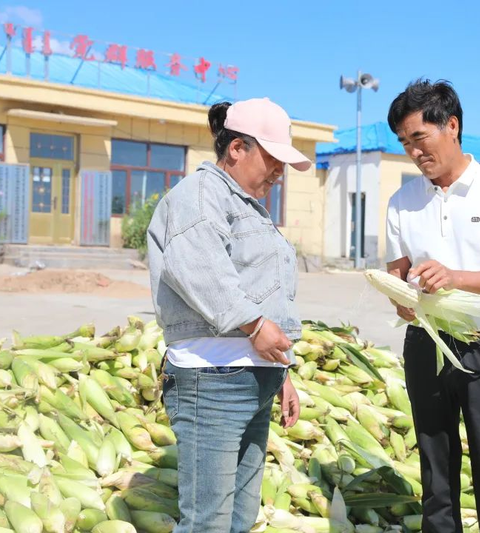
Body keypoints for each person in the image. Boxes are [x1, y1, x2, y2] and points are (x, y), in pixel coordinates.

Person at [147, 97, 306, 533]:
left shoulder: (248, 205)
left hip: (253, 380)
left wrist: (283, 372)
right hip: (211, 384)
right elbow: (199, 269)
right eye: (272, 158)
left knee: (240, 514)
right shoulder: (199, 196)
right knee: (208, 521)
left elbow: (265, 295)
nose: (279, 172)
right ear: (237, 148)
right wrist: (255, 326)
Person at [384, 79, 480, 533]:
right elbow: (397, 272)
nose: (413, 151)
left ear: (451, 126)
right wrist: (402, 299)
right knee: (436, 474)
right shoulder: (402, 201)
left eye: (419, 138)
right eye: (405, 143)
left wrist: (453, 277)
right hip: (426, 345)